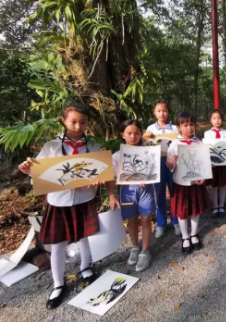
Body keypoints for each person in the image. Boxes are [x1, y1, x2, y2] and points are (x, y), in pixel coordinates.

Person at [18, 104, 101, 309]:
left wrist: (98, 178)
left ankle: (85, 267)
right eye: (73, 121)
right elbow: (39, 175)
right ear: (63, 121)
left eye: (82, 122)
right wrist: (29, 171)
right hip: (59, 201)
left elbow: (101, 170)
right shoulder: (51, 147)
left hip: (83, 200)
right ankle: (58, 283)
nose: (78, 126)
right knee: (57, 244)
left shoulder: (93, 147)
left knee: (83, 236)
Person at [107, 120, 154, 272]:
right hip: (127, 191)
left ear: (141, 134)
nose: (133, 136)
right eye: (129, 133)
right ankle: (134, 247)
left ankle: (145, 251)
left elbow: (154, 171)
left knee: (146, 219)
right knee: (131, 220)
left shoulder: (148, 151)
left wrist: (146, 178)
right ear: (122, 135)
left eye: (136, 133)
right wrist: (112, 196)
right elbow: (109, 176)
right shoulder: (117, 156)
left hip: (145, 190)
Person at [167, 113, 210, 254]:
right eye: (185, 125)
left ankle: (194, 234)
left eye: (191, 124)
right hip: (181, 184)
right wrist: (170, 163)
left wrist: (204, 175)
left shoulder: (199, 143)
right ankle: (185, 237)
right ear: (179, 127)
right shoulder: (174, 144)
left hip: (196, 183)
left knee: (195, 210)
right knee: (182, 212)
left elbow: (203, 163)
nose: (189, 128)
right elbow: (170, 167)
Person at [144, 101, 180, 238]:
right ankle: (161, 223)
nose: (162, 113)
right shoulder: (150, 128)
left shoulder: (174, 128)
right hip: (156, 162)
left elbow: (180, 143)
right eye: (159, 111)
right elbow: (145, 144)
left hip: (172, 161)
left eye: (164, 110)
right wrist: (146, 137)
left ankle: (176, 221)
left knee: (174, 191)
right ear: (154, 112)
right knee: (159, 193)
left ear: (168, 112)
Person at [204, 110, 226, 217]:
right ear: (210, 120)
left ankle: (221, 205)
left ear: (222, 120)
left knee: (223, 185)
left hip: (223, 165)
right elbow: (206, 148)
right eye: (214, 118)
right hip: (212, 165)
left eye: (219, 118)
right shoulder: (207, 134)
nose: (217, 120)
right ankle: (215, 206)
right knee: (214, 186)